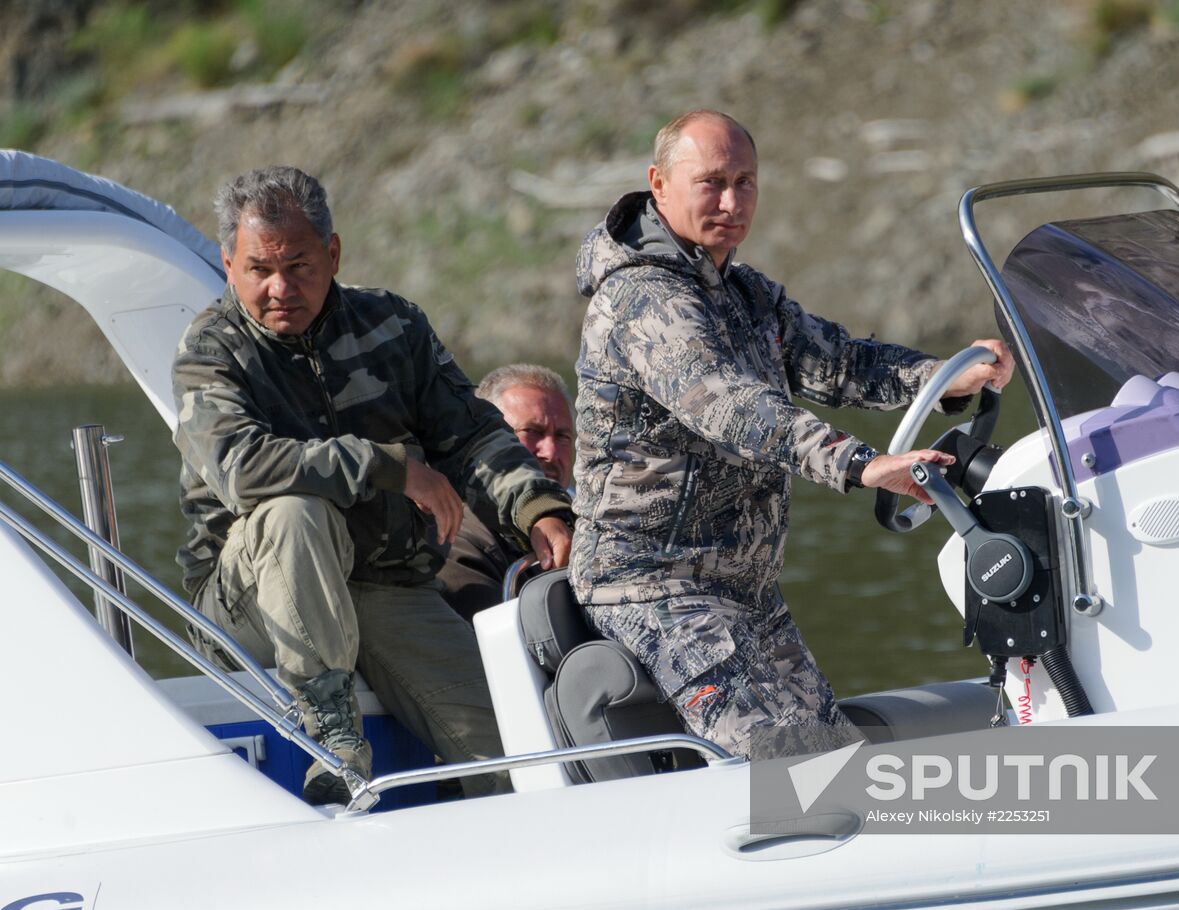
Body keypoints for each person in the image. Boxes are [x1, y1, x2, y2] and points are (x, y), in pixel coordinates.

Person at [570, 110, 1014, 760]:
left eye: (746, 182)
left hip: (744, 585)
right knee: (787, 774)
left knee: (836, 760)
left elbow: (839, 362)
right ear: (658, 185)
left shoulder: (745, 293)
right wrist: (861, 465)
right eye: (712, 182)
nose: (732, 201)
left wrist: (946, 378)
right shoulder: (643, 299)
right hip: (655, 583)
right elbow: (729, 406)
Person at [173, 166, 573, 805]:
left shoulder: (395, 327)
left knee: (519, 761)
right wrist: (392, 468)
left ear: (333, 254)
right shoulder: (209, 352)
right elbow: (244, 468)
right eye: (258, 270)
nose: (280, 288)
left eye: (299, 266)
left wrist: (540, 508)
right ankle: (330, 739)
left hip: (385, 587)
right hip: (251, 602)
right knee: (294, 512)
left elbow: (471, 434)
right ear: (228, 264)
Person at [439, 363, 576, 622]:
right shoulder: (456, 537)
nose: (550, 452)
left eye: (562, 436)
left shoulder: (595, 524)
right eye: (532, 432)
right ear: (489, 440)